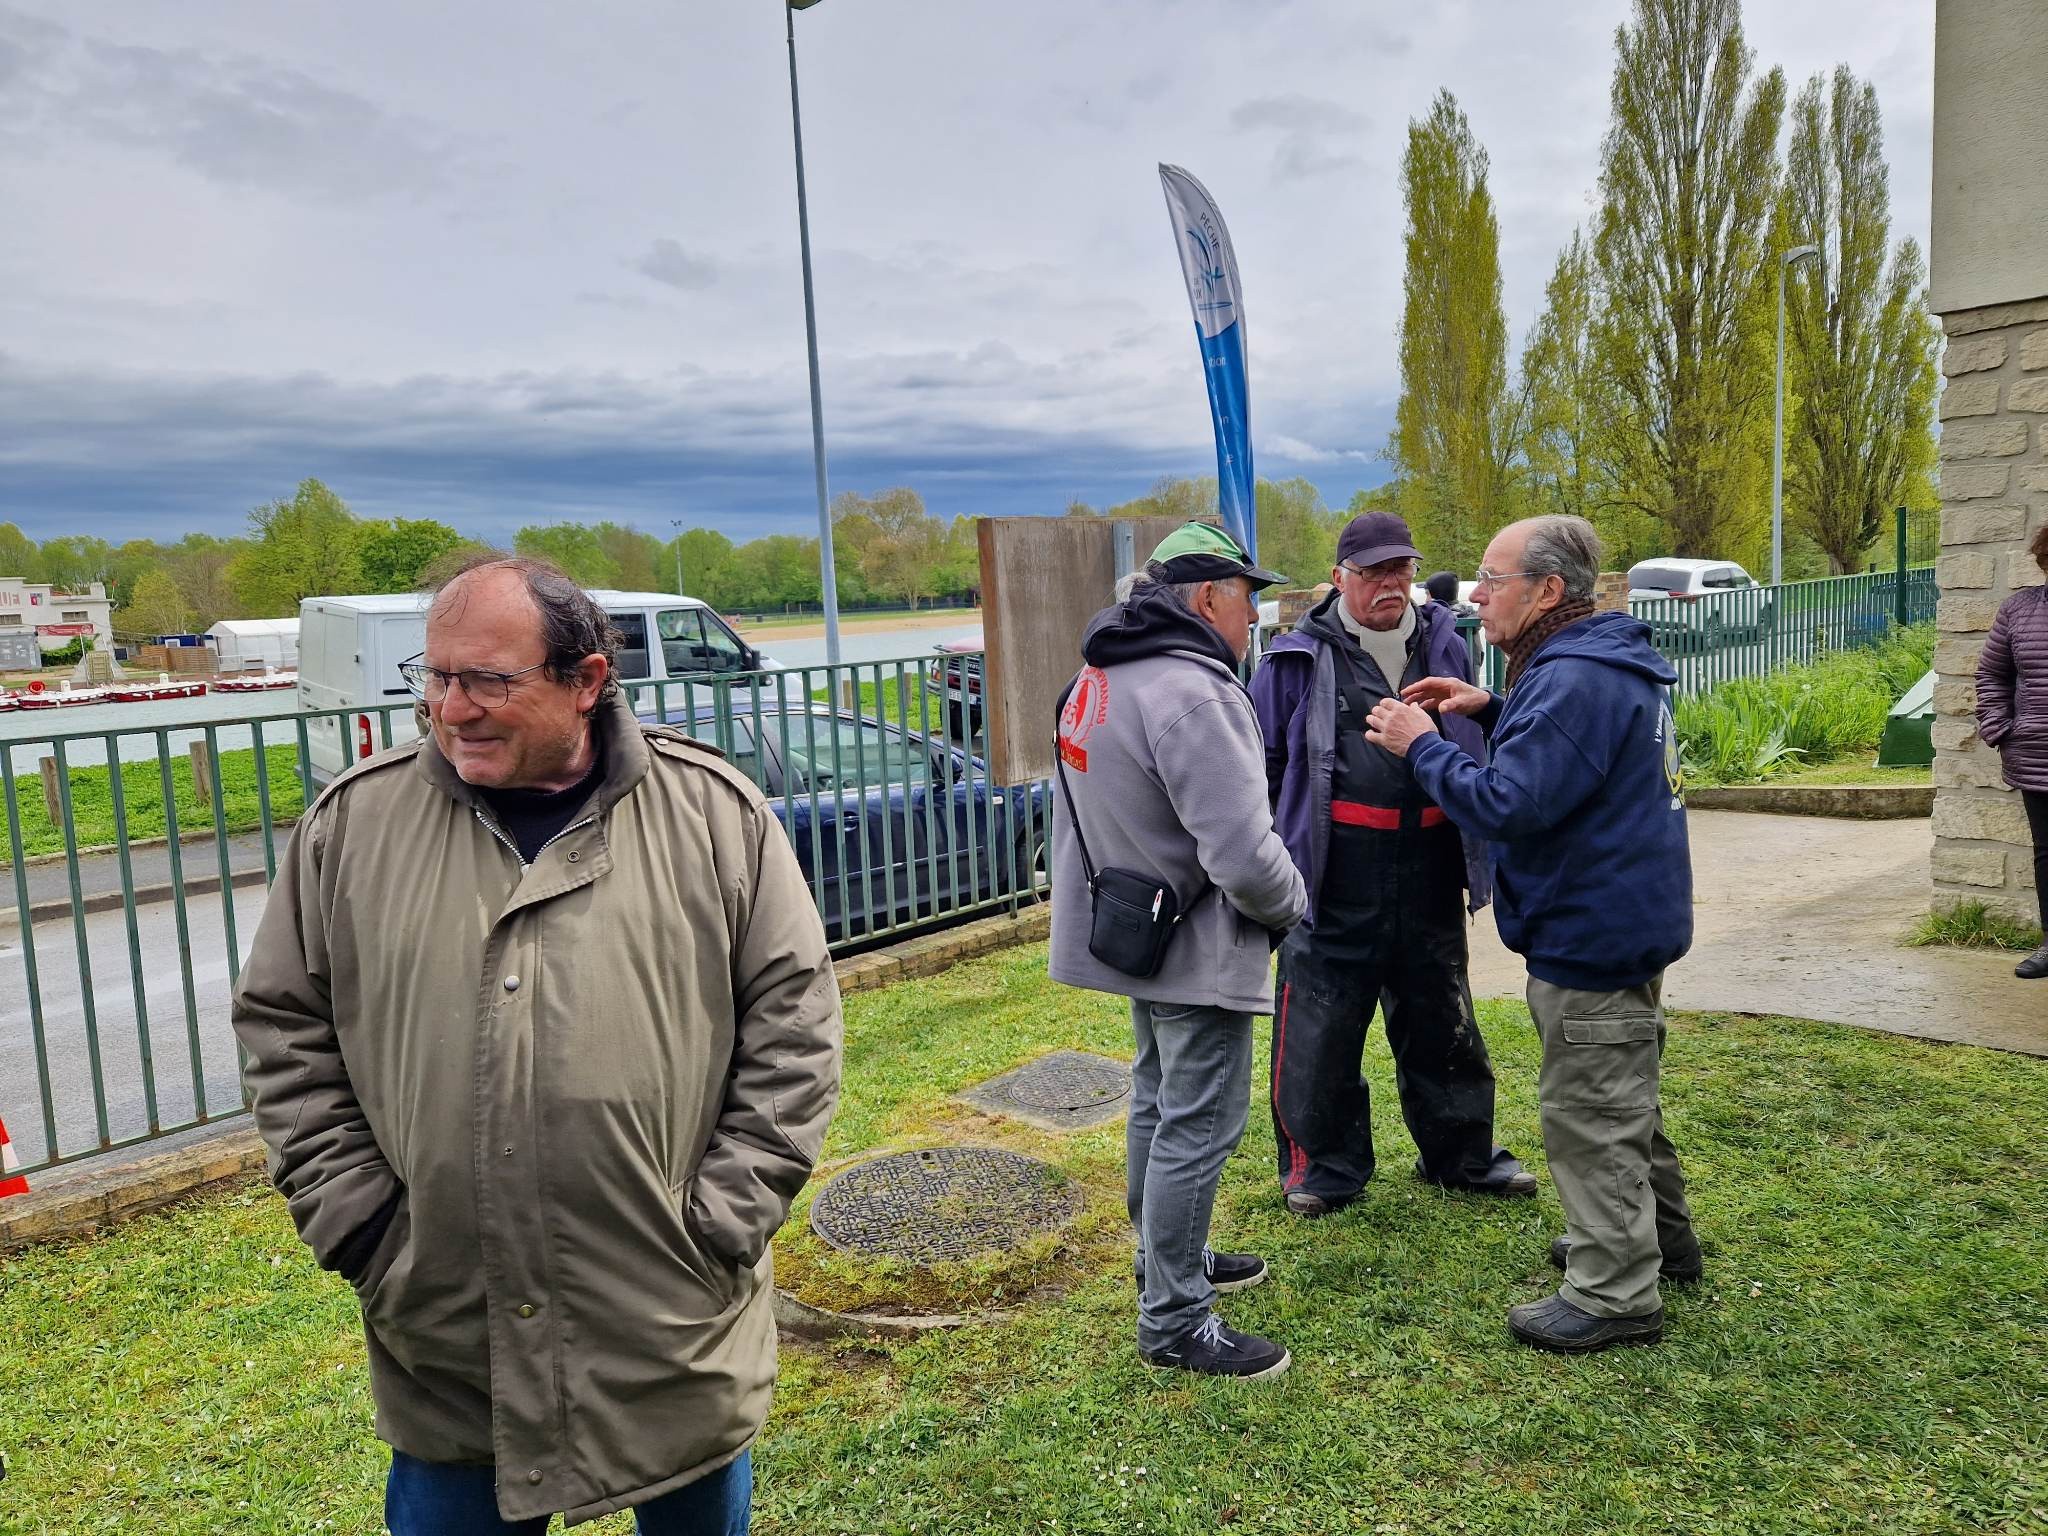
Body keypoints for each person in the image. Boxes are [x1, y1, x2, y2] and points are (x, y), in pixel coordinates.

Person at [232, 556, 842, 1533]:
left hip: (670, 1324)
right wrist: (360, 1224)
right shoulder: (353, 826)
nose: (451, 708)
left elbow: (794, 1023)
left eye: (488, 680)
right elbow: (282, 1024)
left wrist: (722, 1222)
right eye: (434, 677)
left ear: (586, 682)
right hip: (446, 1338)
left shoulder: (713, 816)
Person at [1363, 515, 1700, 1353]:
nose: (1474, 595)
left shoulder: (1574, 678)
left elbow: (1510, 803)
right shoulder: (1592, 662)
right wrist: (1494, 705)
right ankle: (1652, 1242)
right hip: (1623, 917)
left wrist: (1424, 746)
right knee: (1622, 1096)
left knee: (1590, 1112)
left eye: (1492, 577)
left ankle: (1616, 1291)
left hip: (1592, 928)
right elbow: (1571, 755)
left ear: (1548, 590)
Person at [1050, 521, 1308, 1380]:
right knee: (1195, 1125)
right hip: (1196, 948)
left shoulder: (1101, 673)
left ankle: (1166, 1261)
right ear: (1206, 599)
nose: (1256, 618)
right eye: (1249, 598)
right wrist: (1295, 904)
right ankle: (1173, 1318)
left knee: (1157, 1104)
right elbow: (1242, 852)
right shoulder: (1195, 692)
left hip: (1138, 930)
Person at [1252, 511, 1534, 1218]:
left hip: (1430, 859)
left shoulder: (1446, 641)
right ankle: (1324, 1168)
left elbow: (1471, 740)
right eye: (1373, 572)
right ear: (1340, 577)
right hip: (1334, 870)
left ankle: (1463, 1156)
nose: (1390, 584)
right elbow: (1264, 764)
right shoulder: (1294, 656)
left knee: (1442, 1013)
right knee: (1320, 1024)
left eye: (1400, 569)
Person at [1974, 522, 2048, 979]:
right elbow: (1991, 675)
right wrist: (2001, 728)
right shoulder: (2019, 609)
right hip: (2037, 756)